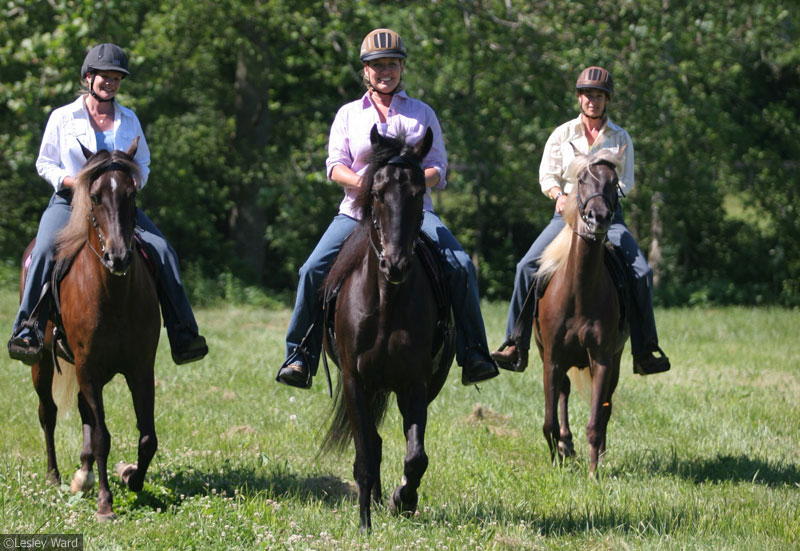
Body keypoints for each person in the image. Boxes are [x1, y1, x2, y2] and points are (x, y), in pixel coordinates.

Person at [276, 28, 499, 389]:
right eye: (377, 65)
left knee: (460, 267)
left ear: (402, 67)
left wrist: (406, 186)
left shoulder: (422, 113)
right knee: (312, 269)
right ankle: (300, 354)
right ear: (365, 71)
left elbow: (439, 168)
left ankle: (473, 352)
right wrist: (367, 185)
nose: (385, 71)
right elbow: (335, 166)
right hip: (356, 212)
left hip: (414, 213)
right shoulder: (348, 115)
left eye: (392, 64)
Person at [7, 43, 208, 366]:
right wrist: (73, 182)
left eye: (116, 78)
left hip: (117, 206)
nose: (111, 84)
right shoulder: (63, 117)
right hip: (70, 202)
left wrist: (131, 184)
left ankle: (183, 332)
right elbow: (45, 163)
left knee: (164, 251)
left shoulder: (129, 119)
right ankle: (27, 329)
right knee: (42, 250)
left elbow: (143, 163)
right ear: (89, 78)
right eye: (105, 78)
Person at [492, 66, 670, 375]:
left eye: (599, 96)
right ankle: (515, 343)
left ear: (607, 100)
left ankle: (644, 350)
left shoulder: (620, 137)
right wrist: (559, 195)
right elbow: (547, 174)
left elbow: (626, 182)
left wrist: (602, 200)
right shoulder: (562, 134)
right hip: (567, 217)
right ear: (579, 97)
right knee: (526, 266)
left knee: (641, 272)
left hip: (608, 218)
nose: (593, 101)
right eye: (588, 95)